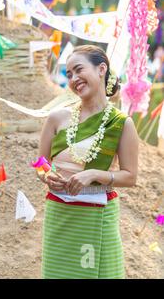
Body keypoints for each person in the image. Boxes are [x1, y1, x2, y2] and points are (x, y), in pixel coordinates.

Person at [38, 45, 139, 279]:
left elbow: (130, 176)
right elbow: (40, 162)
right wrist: (46, 176)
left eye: (78, 70)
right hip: (60, 213)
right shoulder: (57, 117)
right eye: (68, 74)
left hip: (97, 213)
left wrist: (93, 174)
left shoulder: (121, 123)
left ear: (101, 69)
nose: (73, 79)